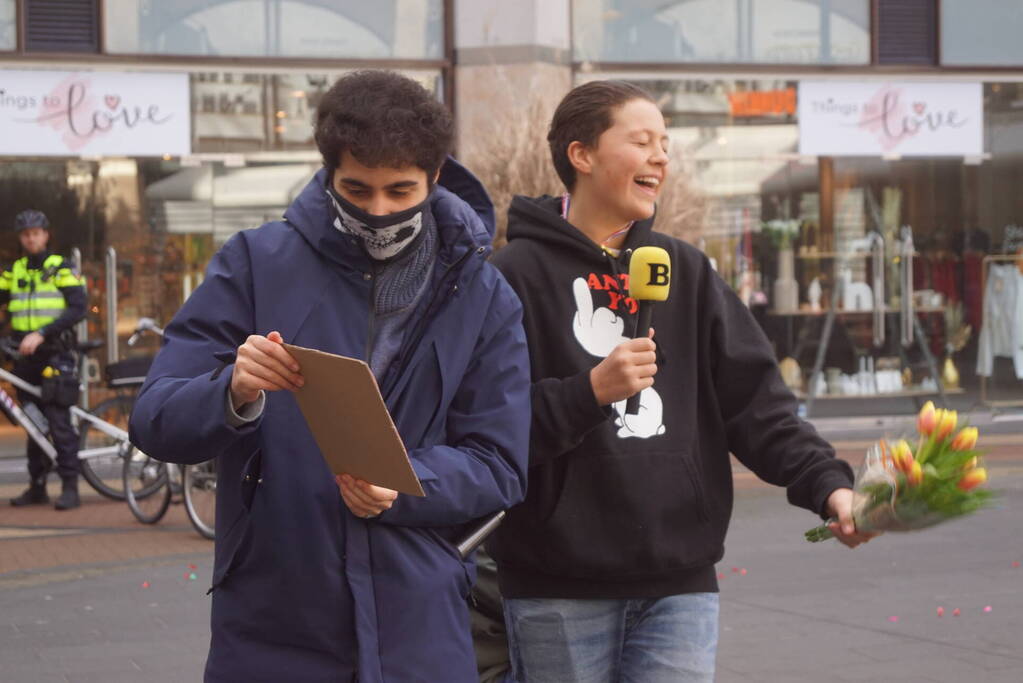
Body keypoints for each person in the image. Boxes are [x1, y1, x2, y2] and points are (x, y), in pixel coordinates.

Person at [128, 71, 531, 682]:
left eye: (400, 190)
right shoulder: (254, 263)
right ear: (327, 173)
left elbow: (500, 463)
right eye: (356, 188)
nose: (378, 211)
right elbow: (154, 419)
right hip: (275, 621)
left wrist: (408, 483)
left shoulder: (482, 292)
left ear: (436, 177)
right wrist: (232, 391)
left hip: (417, 625)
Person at [487, 80, 874, 682]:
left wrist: (829, 487)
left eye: (665, 143)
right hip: (555, 585)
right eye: (641, 141)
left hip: (680, 586)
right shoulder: (511, 277)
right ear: (581, 155)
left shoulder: (686, 271)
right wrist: (587, 393)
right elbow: (489, 426)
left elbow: (758, 406)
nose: (662, 157)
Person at [3, 210, 86, 511]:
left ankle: (70, 486)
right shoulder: (15, 270)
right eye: (26, 234)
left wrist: (42, 332)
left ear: (45, 235)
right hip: (25, 359)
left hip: (55, 354)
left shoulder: (61, 267)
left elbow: (79, 308)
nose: (31, 238)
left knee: (58, 421)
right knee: (32, 423)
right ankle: (37, 486)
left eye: (36, 233)